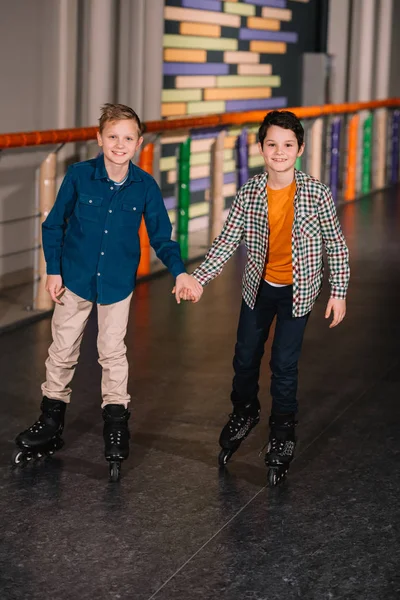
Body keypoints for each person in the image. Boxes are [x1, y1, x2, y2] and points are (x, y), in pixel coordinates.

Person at [12, 103, 201, 481]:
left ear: (139, 143)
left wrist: (180, 272)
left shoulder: (145, 186)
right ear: (99, 139)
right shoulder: (80, 176)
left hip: (116, 283)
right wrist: (53, 270)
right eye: (112, 136)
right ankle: (51, 422)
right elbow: (54, 225)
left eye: (128, 138)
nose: (120, 144)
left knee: (112, 352)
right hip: (75, 278)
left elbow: (162, 238)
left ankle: (116, 422)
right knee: (62, 349)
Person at [182, 110, 350, 485]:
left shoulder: (317, 193)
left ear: (300, 149)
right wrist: (200, 279)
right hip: (259, 289)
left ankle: (282, 433)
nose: (279, 151)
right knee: (244, 357)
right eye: (271, 144)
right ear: (260, 148)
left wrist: (338, 292)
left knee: (283, 366)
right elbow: (227, 241)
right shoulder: (250, 192)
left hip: (299, 293)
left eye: (287, 145)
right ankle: (244, 411)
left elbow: (336, 246)